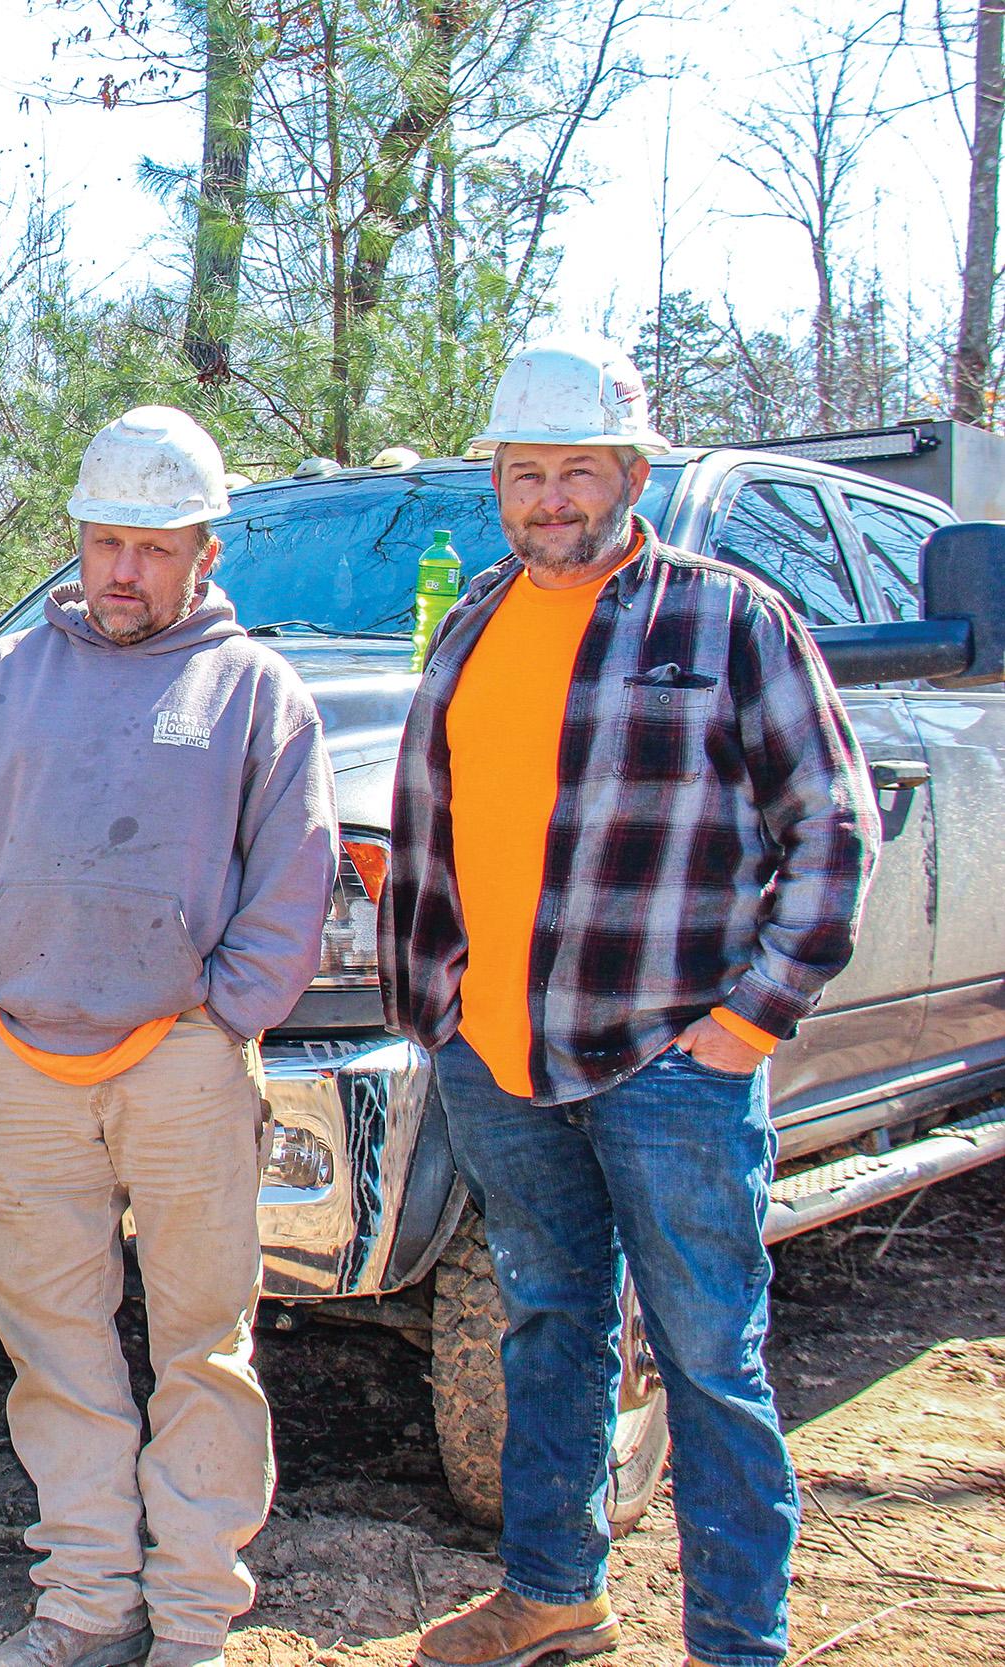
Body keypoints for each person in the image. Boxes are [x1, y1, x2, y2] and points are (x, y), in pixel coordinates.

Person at [384, 338, 876, 1667]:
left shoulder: (728, 620)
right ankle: (553, 1592)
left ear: (632, 475)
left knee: (709, 1358)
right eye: (525, 472)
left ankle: (737, 1640)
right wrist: (436, 1001)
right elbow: (435, 822)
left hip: (670, 1061)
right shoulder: (474, 617)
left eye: (578, 470)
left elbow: (832, 830)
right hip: (497, 1056)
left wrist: (750, 1019)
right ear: (496, 481)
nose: (550, 496)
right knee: (549, 1327)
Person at [0, 409, 338, 1667]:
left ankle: (195, 1616)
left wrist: (224, 1018)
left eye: (154, 548)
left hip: (182, 1062)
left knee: (202, 1342)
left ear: (205, 552)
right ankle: (86, 1600)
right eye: (105, 541)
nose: (122, 570)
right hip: (24, 1064)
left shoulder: (254, 690)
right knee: (53, 1342)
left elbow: (295, 875)